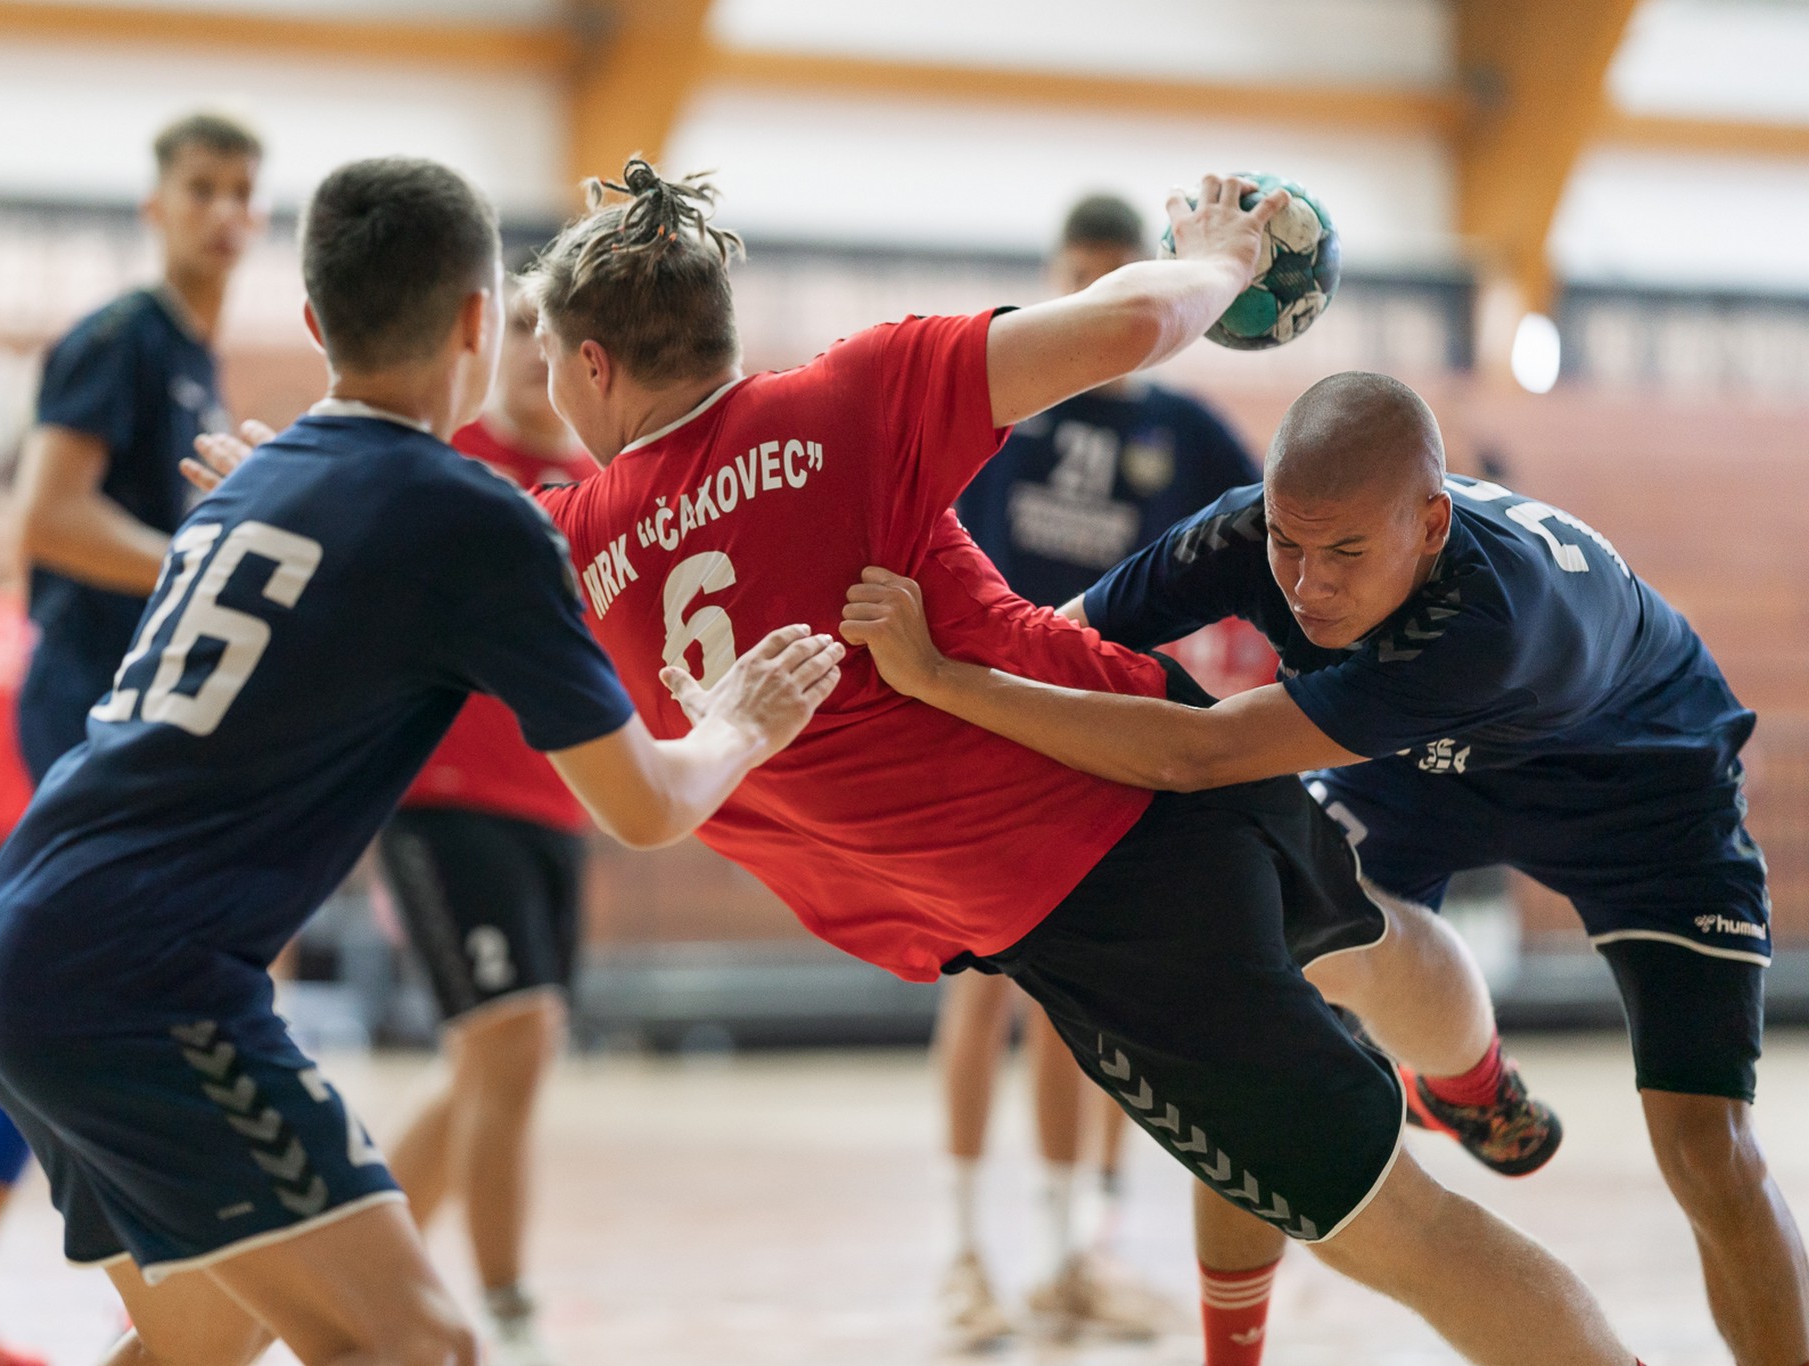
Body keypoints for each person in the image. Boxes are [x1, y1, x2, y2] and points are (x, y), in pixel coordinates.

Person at [276, 157, 1636, 1363]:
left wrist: (291, 493)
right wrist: (1225, 252)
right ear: (717, 327)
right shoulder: (851, 395)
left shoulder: (564, 547)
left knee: (1397, 1232)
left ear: (587, 368)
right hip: (1150, 736)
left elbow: (400, 632)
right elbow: (1129, 323)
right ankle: (1474, 1083)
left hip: (1094, 908)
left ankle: (1467, 1150)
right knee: (1370, 939)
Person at [0, 154, 841, 1366]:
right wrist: (738, 716)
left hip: (12, 953)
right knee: (418, 1344)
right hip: (143, 986)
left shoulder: (253, 483)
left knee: (196, 1346)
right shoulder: (468, 516)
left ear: (315, 322)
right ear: (483, 322)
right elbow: (645, 804)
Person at [842, 369, 1806, 1365]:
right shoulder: (1241, 533)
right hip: (1416, 763)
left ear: (1430, 525)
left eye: (1344, 552)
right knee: (1255, 1002)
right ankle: (1460, 1091)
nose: (1306, 587)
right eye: (1286, 546)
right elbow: (1056, 645)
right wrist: (892, 712)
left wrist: (942, 680)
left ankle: (1466, 1082)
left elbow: (1197, 752)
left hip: (1640, 784)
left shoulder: (1493, 622)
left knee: (1705, 1149)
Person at [0, 109, 262, 1366]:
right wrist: (194, 573)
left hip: (138, 715)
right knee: (84, 992)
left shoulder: (199, 368)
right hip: (87, 712)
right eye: (201, 186)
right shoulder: (121, 339)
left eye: (242, 190)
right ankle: (150, 1267)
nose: (223, 210)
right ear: (156, 205)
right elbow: (45, 515)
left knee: (67, 996)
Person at [938, 192, 1263, 1345]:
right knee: (980, 994)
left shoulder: (1183, 431)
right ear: (1052, 282)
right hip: (987, 723)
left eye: (1116, 282)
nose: (1096, 304)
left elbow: (1275, 523)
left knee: (1104, 1003)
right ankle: (964, 1251)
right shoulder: (993, 407)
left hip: (1113, 738)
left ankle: (1077, 1249)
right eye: (1077, 281)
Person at [376, 275, 601, 1366]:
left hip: (561, 802)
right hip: (440, 799)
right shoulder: (445, 460)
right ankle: (508, 1318)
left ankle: (357, 1289)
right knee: (507, 1037)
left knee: (495, 1060)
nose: (533, 349)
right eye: (518, 326)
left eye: (556, 335)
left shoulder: (607, 485)